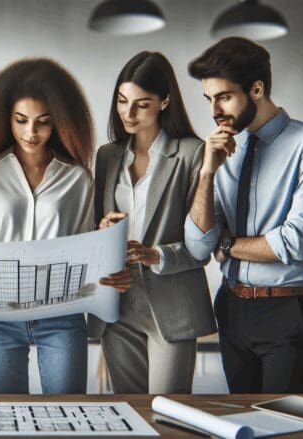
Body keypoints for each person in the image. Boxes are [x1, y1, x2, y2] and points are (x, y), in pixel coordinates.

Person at [0, 58, 132, 394]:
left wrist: (109, 257)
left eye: (43, 122)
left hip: (61, 315)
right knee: (5, 422)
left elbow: (84, 250)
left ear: (59, 122)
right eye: (21, 121)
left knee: (68, 418)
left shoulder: (77, 178)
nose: (31, 133)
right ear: (6, 118)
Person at [184, 37, 303, 393]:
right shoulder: (223, 151)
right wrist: (207, 173)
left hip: (287, 311)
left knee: (284, 427)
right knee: (243, 425)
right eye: (209, 99)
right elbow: (197, 246)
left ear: (256, 89)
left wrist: (226, 242)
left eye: (224, 96)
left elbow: (293, 243)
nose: (214, 110)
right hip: (230, 307)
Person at [88, 52, 217, 394]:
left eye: (141, 104)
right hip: (117, 304)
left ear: (165, 102)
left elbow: (201, 249)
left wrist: (154, 255)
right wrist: (102, 231)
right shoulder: (107, 156)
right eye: (122, 101)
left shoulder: (192, 153)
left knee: (167, 413)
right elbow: (91, 230)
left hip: (171, 307)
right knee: (129, 413)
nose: (128, 113)